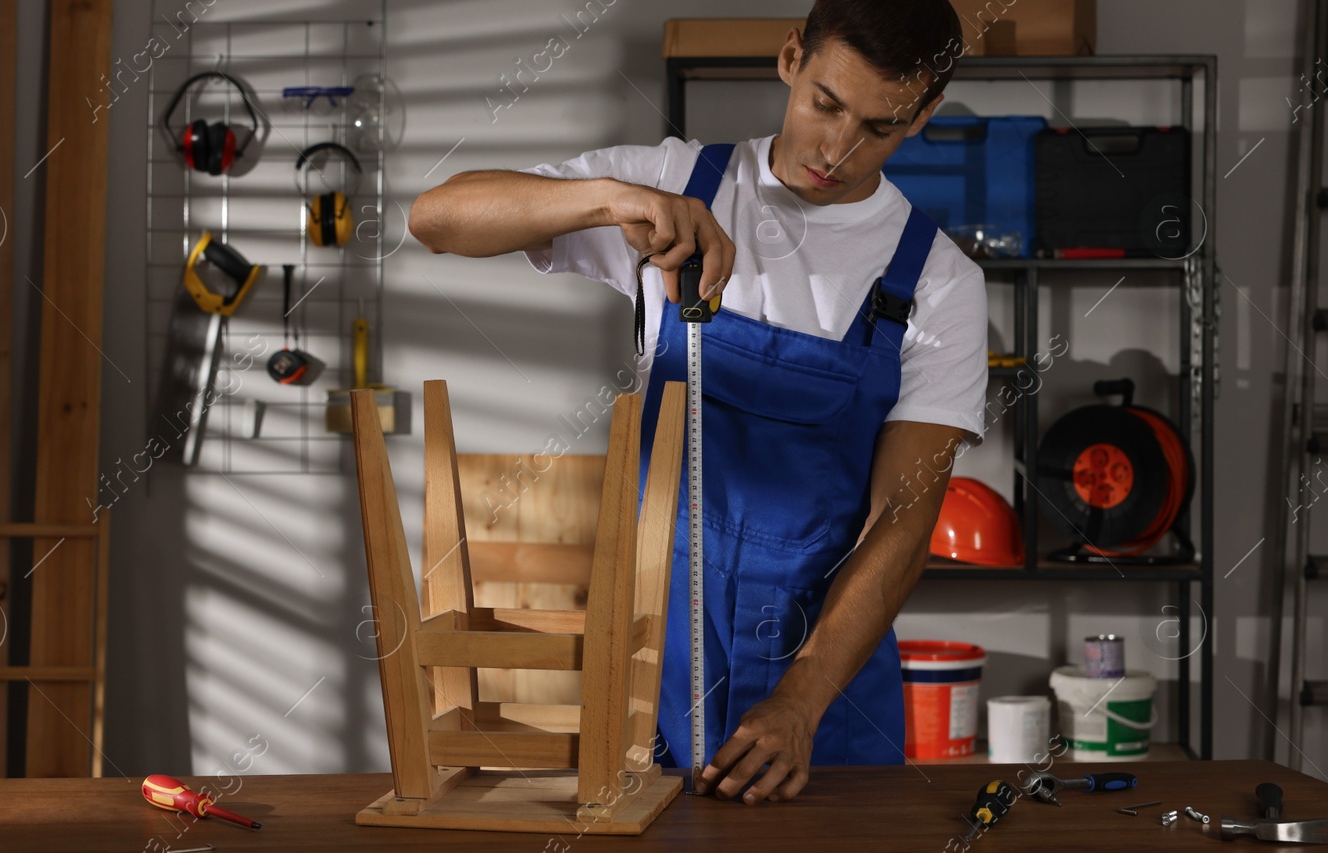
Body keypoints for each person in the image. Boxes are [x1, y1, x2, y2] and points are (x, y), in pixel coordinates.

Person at [409, 0, 986, 806]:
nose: (837, 148)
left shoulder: (938, 279)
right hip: (654, 641)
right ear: (791, 57)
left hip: (822, 658)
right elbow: (437, 218)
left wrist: (803, 698)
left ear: (924, 116)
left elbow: (905, 517)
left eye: (880, 126)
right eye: (826, 103)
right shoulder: (683, 182)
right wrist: (612, 201)